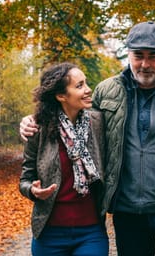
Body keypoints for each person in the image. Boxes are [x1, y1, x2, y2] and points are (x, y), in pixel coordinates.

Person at [20, 22, 155, 256]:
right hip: (128, 214)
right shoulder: (106, 92)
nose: (145, 64)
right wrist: (32, 121)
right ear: (129, 54)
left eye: (153, 56)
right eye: (138, 56)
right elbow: (71, 115)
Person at [19, 62, 108, 256]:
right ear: (61, 96)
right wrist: (33, 191)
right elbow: (24, 180)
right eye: (79, 86)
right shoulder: (38, 129)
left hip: (91, 231)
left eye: (85, 83)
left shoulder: (99, 123)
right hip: (49, 233)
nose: (88, 89)